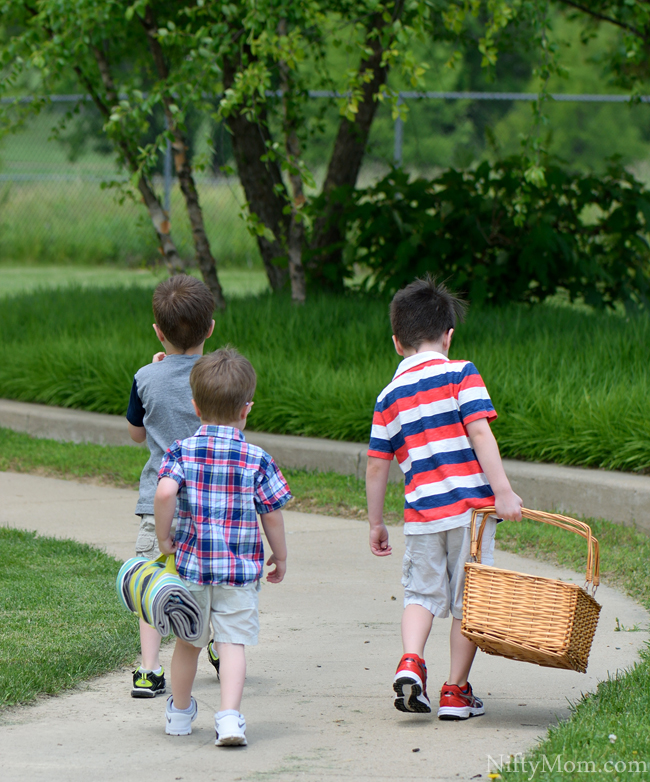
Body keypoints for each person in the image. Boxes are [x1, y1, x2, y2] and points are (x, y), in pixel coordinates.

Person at [365, 274, 523, 721]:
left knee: (420, 594)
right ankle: (455, 691)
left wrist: (376, 522)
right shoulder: (461, 373)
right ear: (449, 335)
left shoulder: (387, 397)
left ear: (397, 342)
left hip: (422, 517)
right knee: (468, 602)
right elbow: (479, 431)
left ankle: (411, 661)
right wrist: (504, 491)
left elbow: (377, 465)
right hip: (472, 514)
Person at [154, 347, 291, 745]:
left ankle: (179, 715)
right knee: (231, 644)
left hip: (192, 569)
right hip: (238, 574)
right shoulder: (257, 459)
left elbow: (164, 493)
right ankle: (229, 717)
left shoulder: (180, 451)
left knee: (187, 643)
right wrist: (279, 556)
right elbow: (272, 514)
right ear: (246, 409)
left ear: (195, 407)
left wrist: (165, 537)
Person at [126, 274, 216, 698]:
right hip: (210, 501)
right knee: (207, 577)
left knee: (153, 582)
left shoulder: (146, 376)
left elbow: (136, 434)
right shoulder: (219, 378)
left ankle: (148, 670)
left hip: (156, 501)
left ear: (159, 332)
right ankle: (211, 641)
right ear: (210, 328)